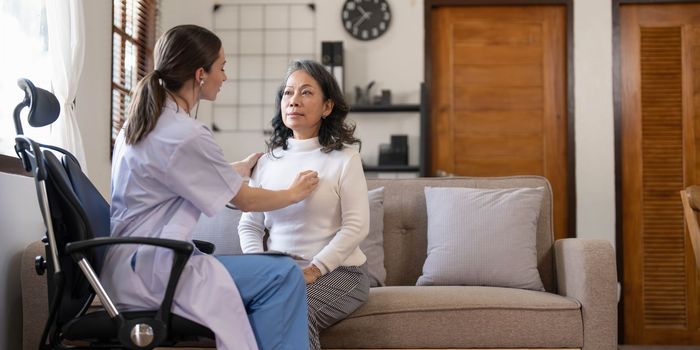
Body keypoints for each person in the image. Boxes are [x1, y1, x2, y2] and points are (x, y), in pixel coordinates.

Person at [100, 25, 317, 350]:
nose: (225, 77)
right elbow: (243, 200)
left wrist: (237, 169)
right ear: (201, 74)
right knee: (283, 274)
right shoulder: (186, 133)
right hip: (154, 272)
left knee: (272, 274)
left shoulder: (145, 123)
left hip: (128, 267)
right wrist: (293, 193)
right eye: (222, 67)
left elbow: (171, 177)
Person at [238, 59, 370, 350]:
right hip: (279, 273)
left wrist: (314, 269)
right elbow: (249, 224)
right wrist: (259, 267)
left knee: (292, 311)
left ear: (327, 107)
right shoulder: (267, 162)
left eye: (306, 92)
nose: (294, 100)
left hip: (340, 272)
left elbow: (357, 226)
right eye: (288, 93)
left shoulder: (345, 159)